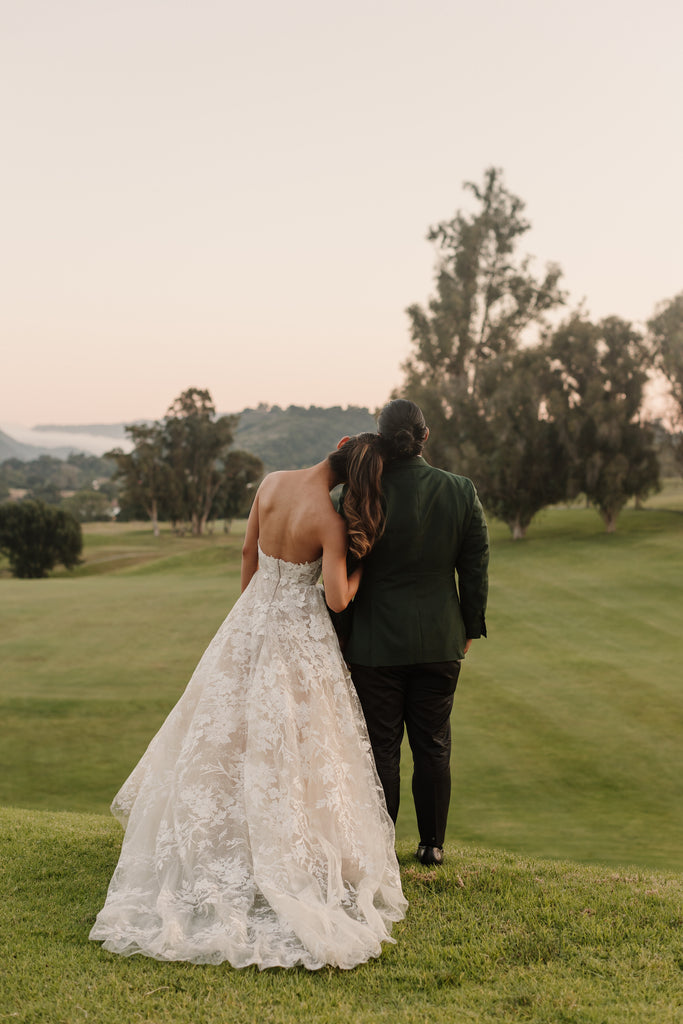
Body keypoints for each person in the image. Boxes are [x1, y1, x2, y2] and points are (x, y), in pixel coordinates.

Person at [89, 434, 407, 971]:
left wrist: (248, 618)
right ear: (355, 480)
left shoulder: (270, 484)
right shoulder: (329, 524)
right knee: (295, 741)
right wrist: (360, 566)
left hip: (250, 619)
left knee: (226, 736)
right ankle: (289, 844)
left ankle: (215, 836)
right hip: (297, 637)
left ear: (338, 445)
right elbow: (335, 598)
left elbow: (247, 556)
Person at [335, 400, 489, 867]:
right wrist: (469, 625)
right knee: (433, 744)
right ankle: (431, 846)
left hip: (374, 644)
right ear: (426, 435)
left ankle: (381, 850)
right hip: (440, 640)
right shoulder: (461, 491)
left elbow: (343, 568)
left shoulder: (360, 495)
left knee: (381, 748)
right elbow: (475, 567)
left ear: (380, 440)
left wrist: (343, 635)